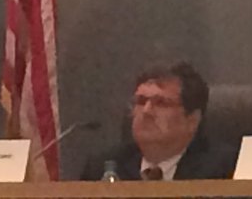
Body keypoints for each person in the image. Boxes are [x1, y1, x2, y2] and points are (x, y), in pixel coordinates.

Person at [80, 61, 237, 180]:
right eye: (141, 101)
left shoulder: (225, 170)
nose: (146, 111)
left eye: (161, 103)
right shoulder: (102, 168)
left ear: (192, 120)